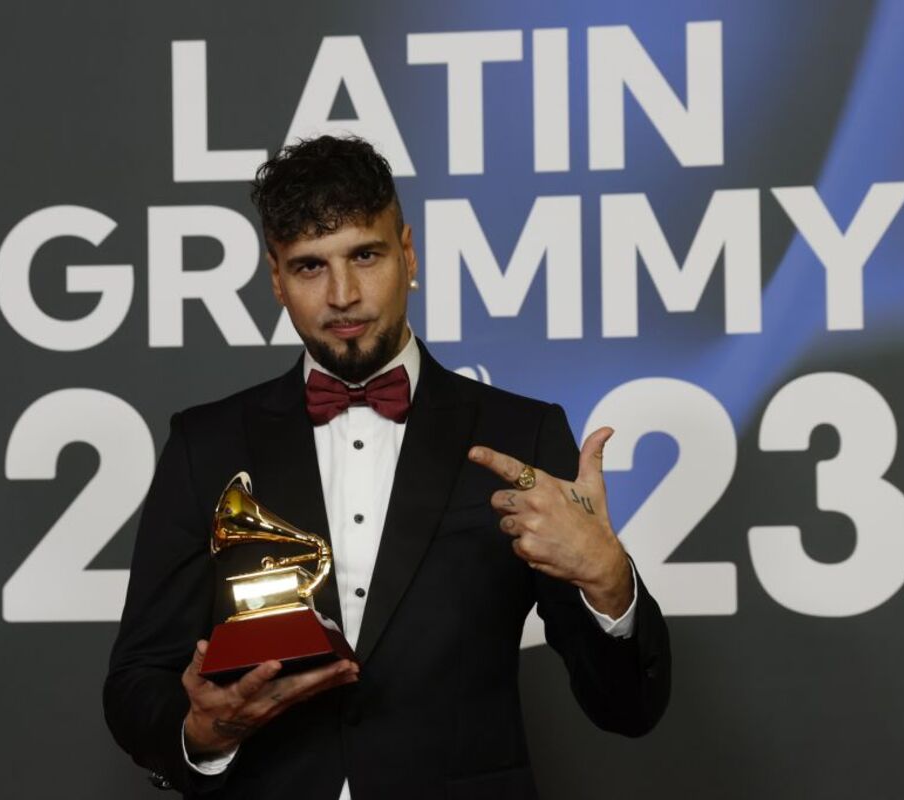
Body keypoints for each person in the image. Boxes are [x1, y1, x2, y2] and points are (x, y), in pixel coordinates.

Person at [103, 135, 671, 800]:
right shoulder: (205, 444)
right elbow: (137, 679)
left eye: (365, 256)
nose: (343, 295)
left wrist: (608, 579)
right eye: (311, 267)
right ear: (276, 279)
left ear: (408, 254)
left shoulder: (521, 435)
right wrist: (201, 734)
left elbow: (627, 709)